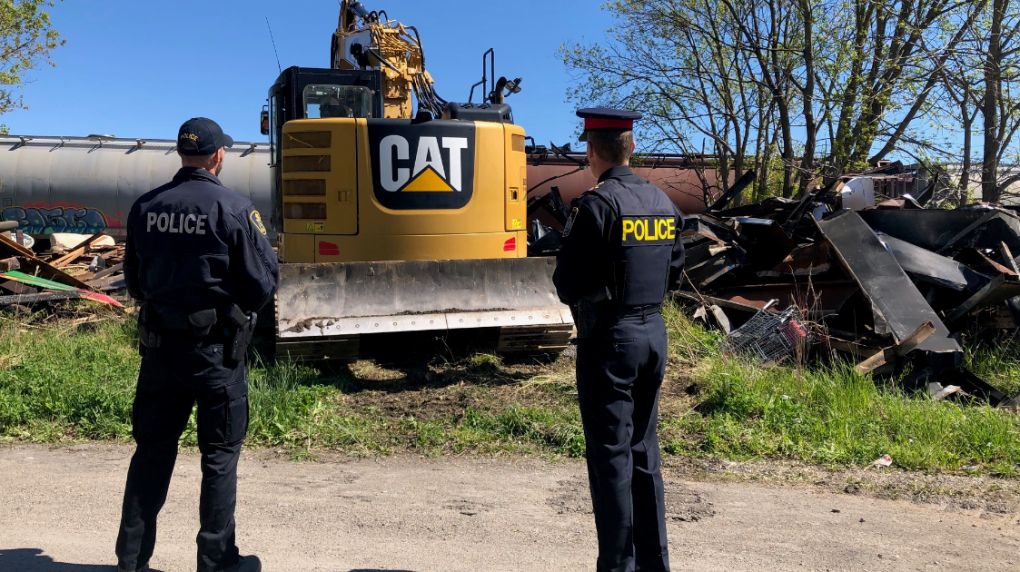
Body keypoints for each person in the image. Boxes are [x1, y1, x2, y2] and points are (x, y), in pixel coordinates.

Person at [116, 118, 280, 572]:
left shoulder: (146, 207)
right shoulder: (233, 208)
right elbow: (263, 284)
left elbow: (134, 282)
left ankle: (131, 562)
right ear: (217, 156)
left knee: (151, 452)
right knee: (220, 457)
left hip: (160, 352)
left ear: (181, 155)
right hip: (215, 356)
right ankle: (216, 563)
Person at [553, 108, 686, 572]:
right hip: (654, 335)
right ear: (631, 148)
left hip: (610, 339)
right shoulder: (662, 202)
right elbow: (675, 267)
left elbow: (566, 283)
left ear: (592, 152)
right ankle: (656, 564)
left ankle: (616, 568)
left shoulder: (596, 205)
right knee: (644, 452)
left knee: (610, 458)